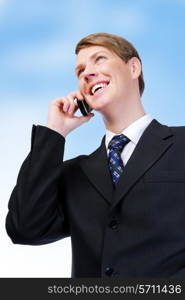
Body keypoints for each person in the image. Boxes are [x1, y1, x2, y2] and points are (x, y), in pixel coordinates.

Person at [5, 32, 185, 278]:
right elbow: (25, 228)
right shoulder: (76, 174)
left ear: (133, 68)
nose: (87, 73)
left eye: (99, 59)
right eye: (80, 71)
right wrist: (54, 133)